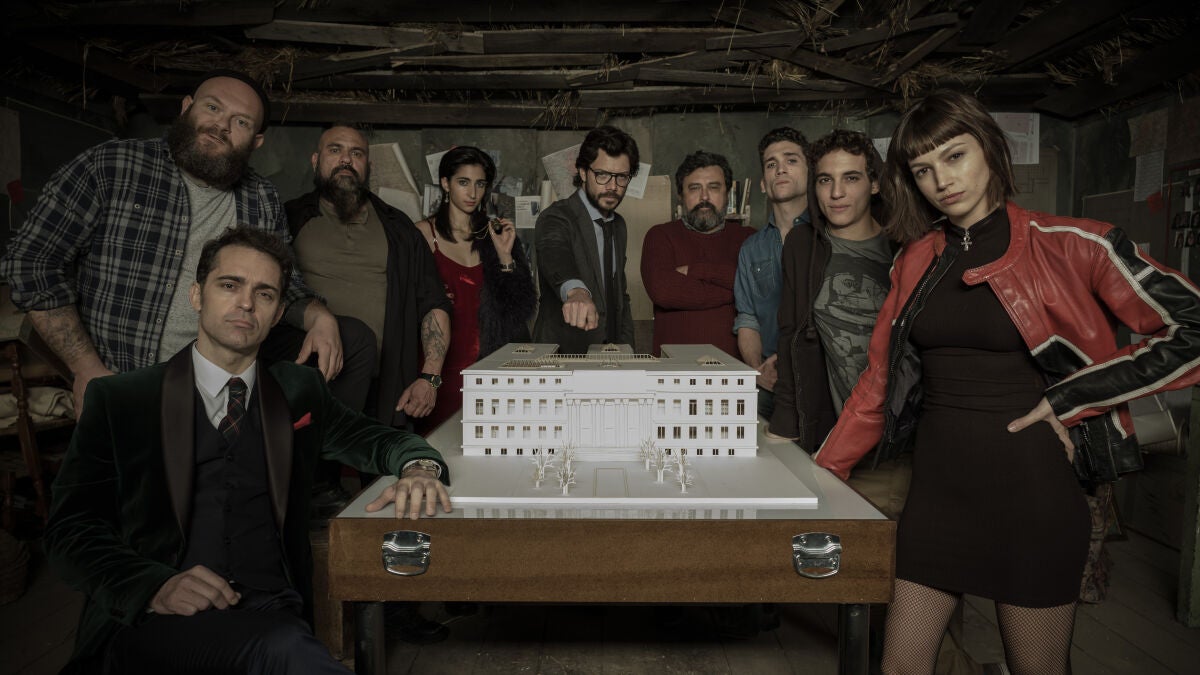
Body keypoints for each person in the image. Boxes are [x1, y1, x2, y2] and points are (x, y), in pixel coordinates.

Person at [815, 90, 1200, 674]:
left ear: (990, 148)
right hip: (937, 496)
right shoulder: (914, 259)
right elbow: (878, 382)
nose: (942, 180)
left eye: (955, 156)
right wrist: (821, 477)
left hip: (1032, 495)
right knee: (899, 666)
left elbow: (1191, 329)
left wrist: (1072, 396)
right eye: (923, 169)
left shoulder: (1074, 243)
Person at [44, 227, 453, 674]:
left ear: (277, 314)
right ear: (197, 295)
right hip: (158, 619)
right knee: (286, 652)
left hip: (272, 609)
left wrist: (419, 468)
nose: (246, 303)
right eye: (229, 285)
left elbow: (380, 439)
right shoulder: (121, 399)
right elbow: (70, 528)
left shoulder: (298, 390)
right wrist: (153, 586)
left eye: (264, 293)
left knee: (284, 645)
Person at [0, 71, 365, 419]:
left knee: (352, 338)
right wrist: (86, 369)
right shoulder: (111, 166)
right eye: (212, 107)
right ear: (187, 107)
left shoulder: (261, 197)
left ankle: (313, 455)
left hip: (223, 369)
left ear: (256, 142)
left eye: (240, 122)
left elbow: (285, 283)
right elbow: (32, 262)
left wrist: (320, 317)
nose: (221, 125)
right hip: (126, 373)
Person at [286, 124, 452, 430]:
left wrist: (430, 378)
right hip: (306, 379)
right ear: (315, 160)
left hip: (385, 390)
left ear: (368, 166)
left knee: (380, 461)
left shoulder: (399, 228)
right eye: (335, 150)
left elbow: (433, 303)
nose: (346, 160)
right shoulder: (288, 219)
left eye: (356, 153)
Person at [413, 146, 536, 431]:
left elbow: (520, 310)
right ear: (445, 183)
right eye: (463, 182)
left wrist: (505, 257)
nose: (472, 193)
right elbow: (404, 303)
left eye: (480, 184)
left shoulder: (496, 233)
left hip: (488, 365)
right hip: (439, 364)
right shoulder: (421, 235)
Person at [533, 125, 639, 353]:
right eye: (602, 175)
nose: (613, 186)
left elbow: (620, 296)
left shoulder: (619, 225)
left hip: (610, 356)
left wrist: (628, 348)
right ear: (582, 172)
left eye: (621, 177)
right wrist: (576, 292)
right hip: (564, 355)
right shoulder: (556, 216)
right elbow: (555, 254)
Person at [641, 151, 753, 358]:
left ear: (728, 193)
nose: (704, 197)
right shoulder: (660, 236)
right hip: (673, 370)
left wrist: (696, 271)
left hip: (737, 370)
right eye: (694, 188)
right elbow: (663, 292)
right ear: (680, 195)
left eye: (714, 187)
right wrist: (739, 288)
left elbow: (761, 289)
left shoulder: (750, 238)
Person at [734, 127, 810, 418]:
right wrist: (757, 370)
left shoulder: (828, 236)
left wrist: (789, 358)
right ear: (763, 185)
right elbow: (747, 317)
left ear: (811, 173)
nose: (780, 169)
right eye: (771, 164)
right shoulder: (751, 248)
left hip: (818, 376)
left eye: (791, 160)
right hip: (768, 382)